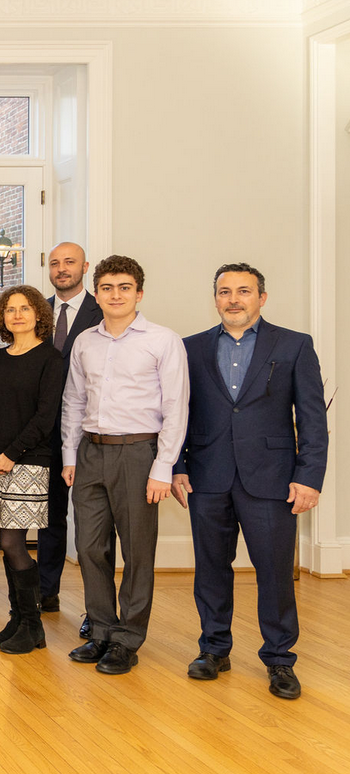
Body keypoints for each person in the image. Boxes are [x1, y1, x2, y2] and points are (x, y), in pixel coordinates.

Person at [172, 263, 327, 700]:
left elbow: (312, 418)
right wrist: (177, 465)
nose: (233, 299)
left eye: (244, 291)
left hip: (273, 479)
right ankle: (214, 649)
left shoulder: (294, 345)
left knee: (275, 572)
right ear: (215, 297)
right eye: (225, 291)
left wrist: (309, 476)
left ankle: (280, 659)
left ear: (262, 297)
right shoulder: (191, 348)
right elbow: (179, 412)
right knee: (211, 569)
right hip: (207, 475)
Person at [61, 255, 189, 675]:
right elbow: (73, 402)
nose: (116, 295)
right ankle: (100, 629)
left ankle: (127, 639)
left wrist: (163, 467)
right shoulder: (85, 341)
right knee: (89, 548)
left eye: (124, 287)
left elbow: (176, 408)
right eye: (107, 288)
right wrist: (69, 456)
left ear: (139, 292)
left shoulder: (163, 340)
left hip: (139, 455)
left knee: (136, 551)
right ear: (96, 293)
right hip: (90, 454)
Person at [0, 286, 64, 654]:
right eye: (10, 310)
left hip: (27, 461)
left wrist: (11, 453)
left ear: (39, 313)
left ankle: (34, 625)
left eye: (25, 308)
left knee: (13, 542)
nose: (17, 315)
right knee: (5, 544)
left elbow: (45, 417)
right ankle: (18, 619)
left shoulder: (50, 359)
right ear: (2, 317)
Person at [40, 242, 103, 617]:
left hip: (93, 431)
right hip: (45, 431)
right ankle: (47, 592)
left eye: (69, 262)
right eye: (55, 264)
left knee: (93, 524)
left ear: (85, 267)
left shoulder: (103, 311)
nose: (62, 269)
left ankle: (97, 612)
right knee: (50, 516)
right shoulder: (37, 311)